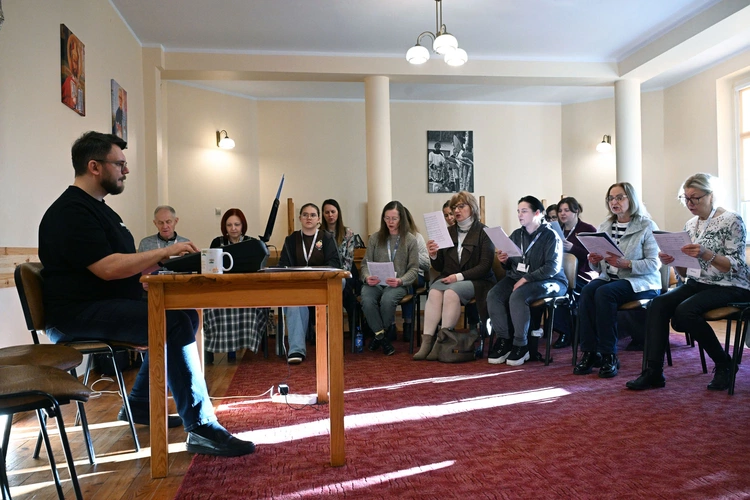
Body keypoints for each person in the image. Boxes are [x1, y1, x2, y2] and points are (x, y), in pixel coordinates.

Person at [39, 131, 254, 456]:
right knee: (173, 322)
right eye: (119, 164)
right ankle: (201, 427)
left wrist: (168, 262)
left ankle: (140, 404)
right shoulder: (72, 211)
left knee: (184, 315)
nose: (125, 170)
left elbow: (121, 265)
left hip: (100, 304)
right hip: (75, 315)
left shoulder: (101, 210)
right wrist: (163, 253)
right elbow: (108, 268)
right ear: (94, 166)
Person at [627, 173, 750, 391]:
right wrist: (674, 261)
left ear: (711, 195)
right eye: (686, 198)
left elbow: (736, 266)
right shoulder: (691, 224)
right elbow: (687, 272)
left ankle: (724, 364)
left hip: (731, 285)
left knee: (685, 311)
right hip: (698, 282)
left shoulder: (732, 220)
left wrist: (705, 253)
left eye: (695, 198)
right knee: (658, 304)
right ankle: (653, 371)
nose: (690, 203)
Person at [574, 182, 661, 379]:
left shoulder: (646, 226)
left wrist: (627, 263)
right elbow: (599, 268)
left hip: (639, 281)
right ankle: (589, 352)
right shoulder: (605, 226)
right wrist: (593, 260)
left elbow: (654, 264)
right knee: (587, 291)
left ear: (631, 199)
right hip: (610, 278)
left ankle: (609, 355)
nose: (614, 202)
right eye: (611, 198)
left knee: (604, 293)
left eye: (620, 197)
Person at [486, 196, 567, 366]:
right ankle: (504, 340)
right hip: (519, 278)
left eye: (524, 211)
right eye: (518, 211)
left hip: (550, 280)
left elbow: (551, 268)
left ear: (537, 213)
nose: (519, 215)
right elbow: (512, 265)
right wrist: (504, 260)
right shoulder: (517, 234)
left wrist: (526, 278)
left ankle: (521, 345)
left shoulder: (551, 236)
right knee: (494, 295)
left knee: (518, 295)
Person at [414, 191, 496, 360]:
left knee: (451, 293)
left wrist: (457, 277)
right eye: (454, 207)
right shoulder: (448, 232)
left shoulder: (484, 232)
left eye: (461, 206)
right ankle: (427, 342)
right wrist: (433, 255)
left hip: (478, 280)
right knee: (434, 292)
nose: (456, 210)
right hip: (450, 278)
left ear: (472, 208)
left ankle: (442, 342)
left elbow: (484, 267)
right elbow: (440, 267)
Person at [203, 208, 269, 364]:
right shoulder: (217, 242)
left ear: (243, 225)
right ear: (224, 227)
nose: (233, 228)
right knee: (209, 309)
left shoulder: (252, 243)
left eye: (237, 224)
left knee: (253, 307)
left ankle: (244, 346)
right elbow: (210, 268)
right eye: (229, 225)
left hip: (246, 289)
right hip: (221, 290)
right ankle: (212, 350)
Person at [279, 203, 340, 364]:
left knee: (339, 286)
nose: (309, 218)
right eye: (305, 215)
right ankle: (296, 350)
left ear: (319, 219)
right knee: (293, 303)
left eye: (313, 215)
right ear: (300, 218)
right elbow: (283, 265)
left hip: (323, 284)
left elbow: (335, 263)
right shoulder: (291, 239)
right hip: (299, 285)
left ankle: (333, 347)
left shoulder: (327, 238)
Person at [360, 201, 419, 356]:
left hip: (398, 283)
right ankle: (381, 336)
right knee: (366, 298)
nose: (390, 222)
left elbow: (414, 269)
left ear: (401, 219)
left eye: (394, 218)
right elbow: (365, 264)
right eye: (387, 218)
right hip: (376, 282)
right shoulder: (375, 238)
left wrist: (401, 280)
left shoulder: (410, 240)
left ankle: (378, 336)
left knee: (387, 299)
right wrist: (367, 277)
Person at [550, 196, 597, 348]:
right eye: (560, 211)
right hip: (560, 273)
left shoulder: (588, 229)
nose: (562, 214)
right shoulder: (556, 230)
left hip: (583, 274)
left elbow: (594, 256)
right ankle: (557, 330)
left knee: (564, 289)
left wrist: (573, 249)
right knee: (552, 288)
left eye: (567, 210)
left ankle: (567, 332)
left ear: (576, 211)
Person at [321, 198, 358, 335]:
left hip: (345, 274)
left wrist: (339, 276)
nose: (330, 215)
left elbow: (349, 259)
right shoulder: (319, 233)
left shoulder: (347, 233)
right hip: (325, 274)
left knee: (348, 296)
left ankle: (349, 332)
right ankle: (322, 332)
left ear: (338, 213)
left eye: (333, 212)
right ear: (323, 214)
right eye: (327, 212)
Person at [398, 207, 431, 342]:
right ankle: (389, 325)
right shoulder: (389, 238)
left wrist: (411, 254)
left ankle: (408, 323)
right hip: (396, 276)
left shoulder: (417, 237)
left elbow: (426, 264)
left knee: (408, 281)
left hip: (417, 276)